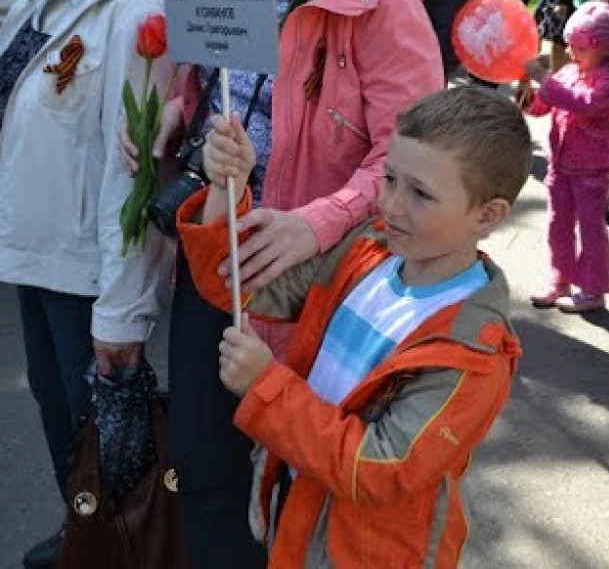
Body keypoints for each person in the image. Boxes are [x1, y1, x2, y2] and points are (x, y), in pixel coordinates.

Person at [121, 0, 445, 566]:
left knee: (303, 489)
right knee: (202, 474)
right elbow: (203, 76)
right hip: (217, 255)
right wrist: (173, 117)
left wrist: (315, 222)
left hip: (319, 283)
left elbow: (414, 152)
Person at [176, 85, 531, 568]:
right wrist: (227, 188)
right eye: (389, 179)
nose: (391, 205)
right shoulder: (370, 252)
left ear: (487, 216)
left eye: (421, 193)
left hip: (371, 552)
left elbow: (381, 467)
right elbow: (238, 286)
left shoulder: (475, 351)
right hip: (302, 517)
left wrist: (265, 385)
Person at [0, 0, 171, 568]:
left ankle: (113, 548)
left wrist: (122, 312)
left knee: (100, 436)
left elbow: (132, 173)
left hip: (86, 277)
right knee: (60, 420)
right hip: (36, 259)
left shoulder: (134, 14)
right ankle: (83, 536)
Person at [523, 2, 609, 313]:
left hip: (592, 168)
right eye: (571, 46)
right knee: (557, 226)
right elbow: (543, 106)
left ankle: (593, 289)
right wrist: (529, 93)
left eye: (581, 48)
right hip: (560, 165)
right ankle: (559, 279)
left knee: (591, 230)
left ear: (603, 49)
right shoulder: (567, 71)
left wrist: (545, 81)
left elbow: (584, 103)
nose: (573, 53)